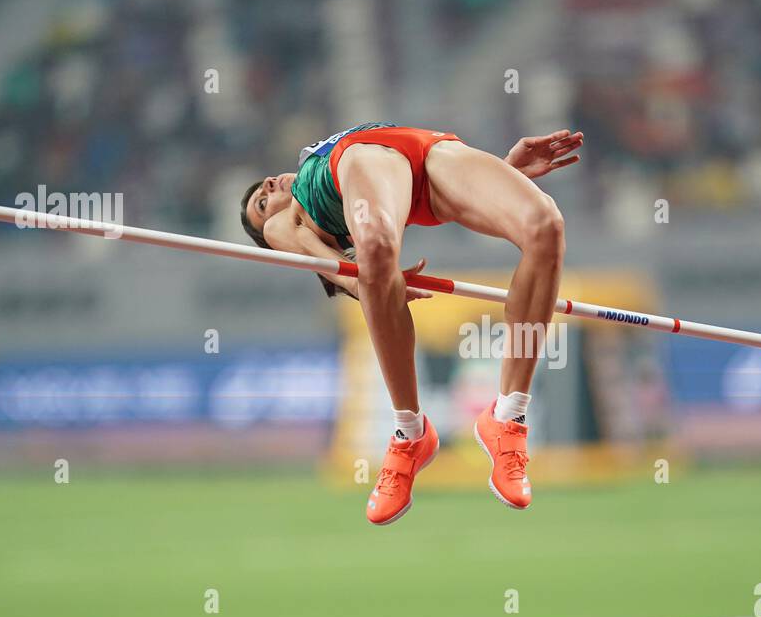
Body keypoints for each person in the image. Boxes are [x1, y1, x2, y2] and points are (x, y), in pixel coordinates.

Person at [240, 124, 583, 525]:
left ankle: (508, 415)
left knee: (545, 224)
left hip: (429, 154)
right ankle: (409, 432)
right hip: (362, 161)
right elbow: (344, 271)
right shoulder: (283, 225)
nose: (267, 187)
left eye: (261, 190)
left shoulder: (339, 200)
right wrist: (371, 279)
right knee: (378, 248)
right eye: (262, 203)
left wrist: (502, 173)